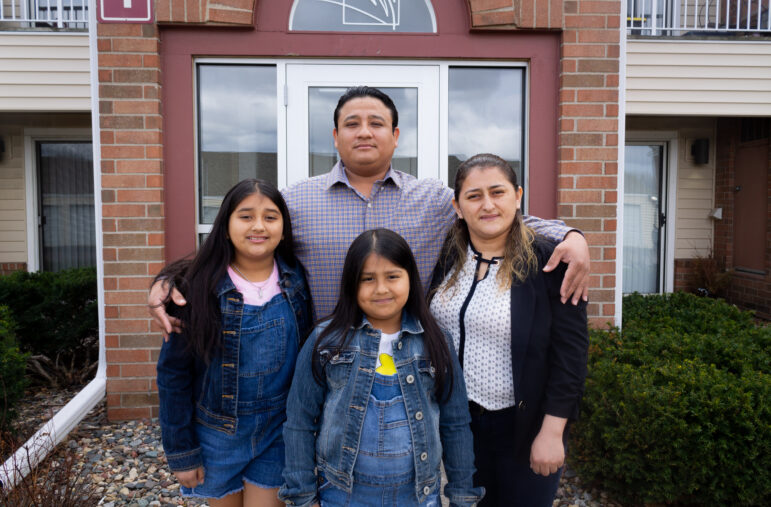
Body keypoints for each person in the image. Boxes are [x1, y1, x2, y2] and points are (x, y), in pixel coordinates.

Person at [148, 86, 590, 333]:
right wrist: (170, 279)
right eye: (352, 124)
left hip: (409, 358)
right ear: (334, 136)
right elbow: (243, 243)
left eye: (376, 123)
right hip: (320, 357)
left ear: (395, 136)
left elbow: (498, 215)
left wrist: (572, 237)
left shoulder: (434, 199)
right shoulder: (296, 200)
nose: (364, 132)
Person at [279, 229, 483, 507]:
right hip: (341, 495)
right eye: (367, 279)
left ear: (410, 277)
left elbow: (456, 423)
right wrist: (303, 496)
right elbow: (299, 422)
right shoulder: (326, 341)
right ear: (351, 284)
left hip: (417, 497)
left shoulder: (437, 342)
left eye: (392, 276)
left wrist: (461, 496)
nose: (381, 289)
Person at [428, 154, 589, 507]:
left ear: (517, 197)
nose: (487, 205)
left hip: (524, 425)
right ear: (457, 206)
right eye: (474, 196)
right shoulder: (448, 259)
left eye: (497, 192)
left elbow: (571, 358)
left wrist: (552, 432)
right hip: (460, 425)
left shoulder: (550, 263)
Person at [155, 179, 313, 507]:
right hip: (216, 435)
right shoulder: (196, 289)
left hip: (277, 432)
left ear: (283, 229)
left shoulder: (295, 280)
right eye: (245, 216)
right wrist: (181, 451)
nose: (258, 226)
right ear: (226, 227)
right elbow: (173, 376)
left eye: (270, 217)